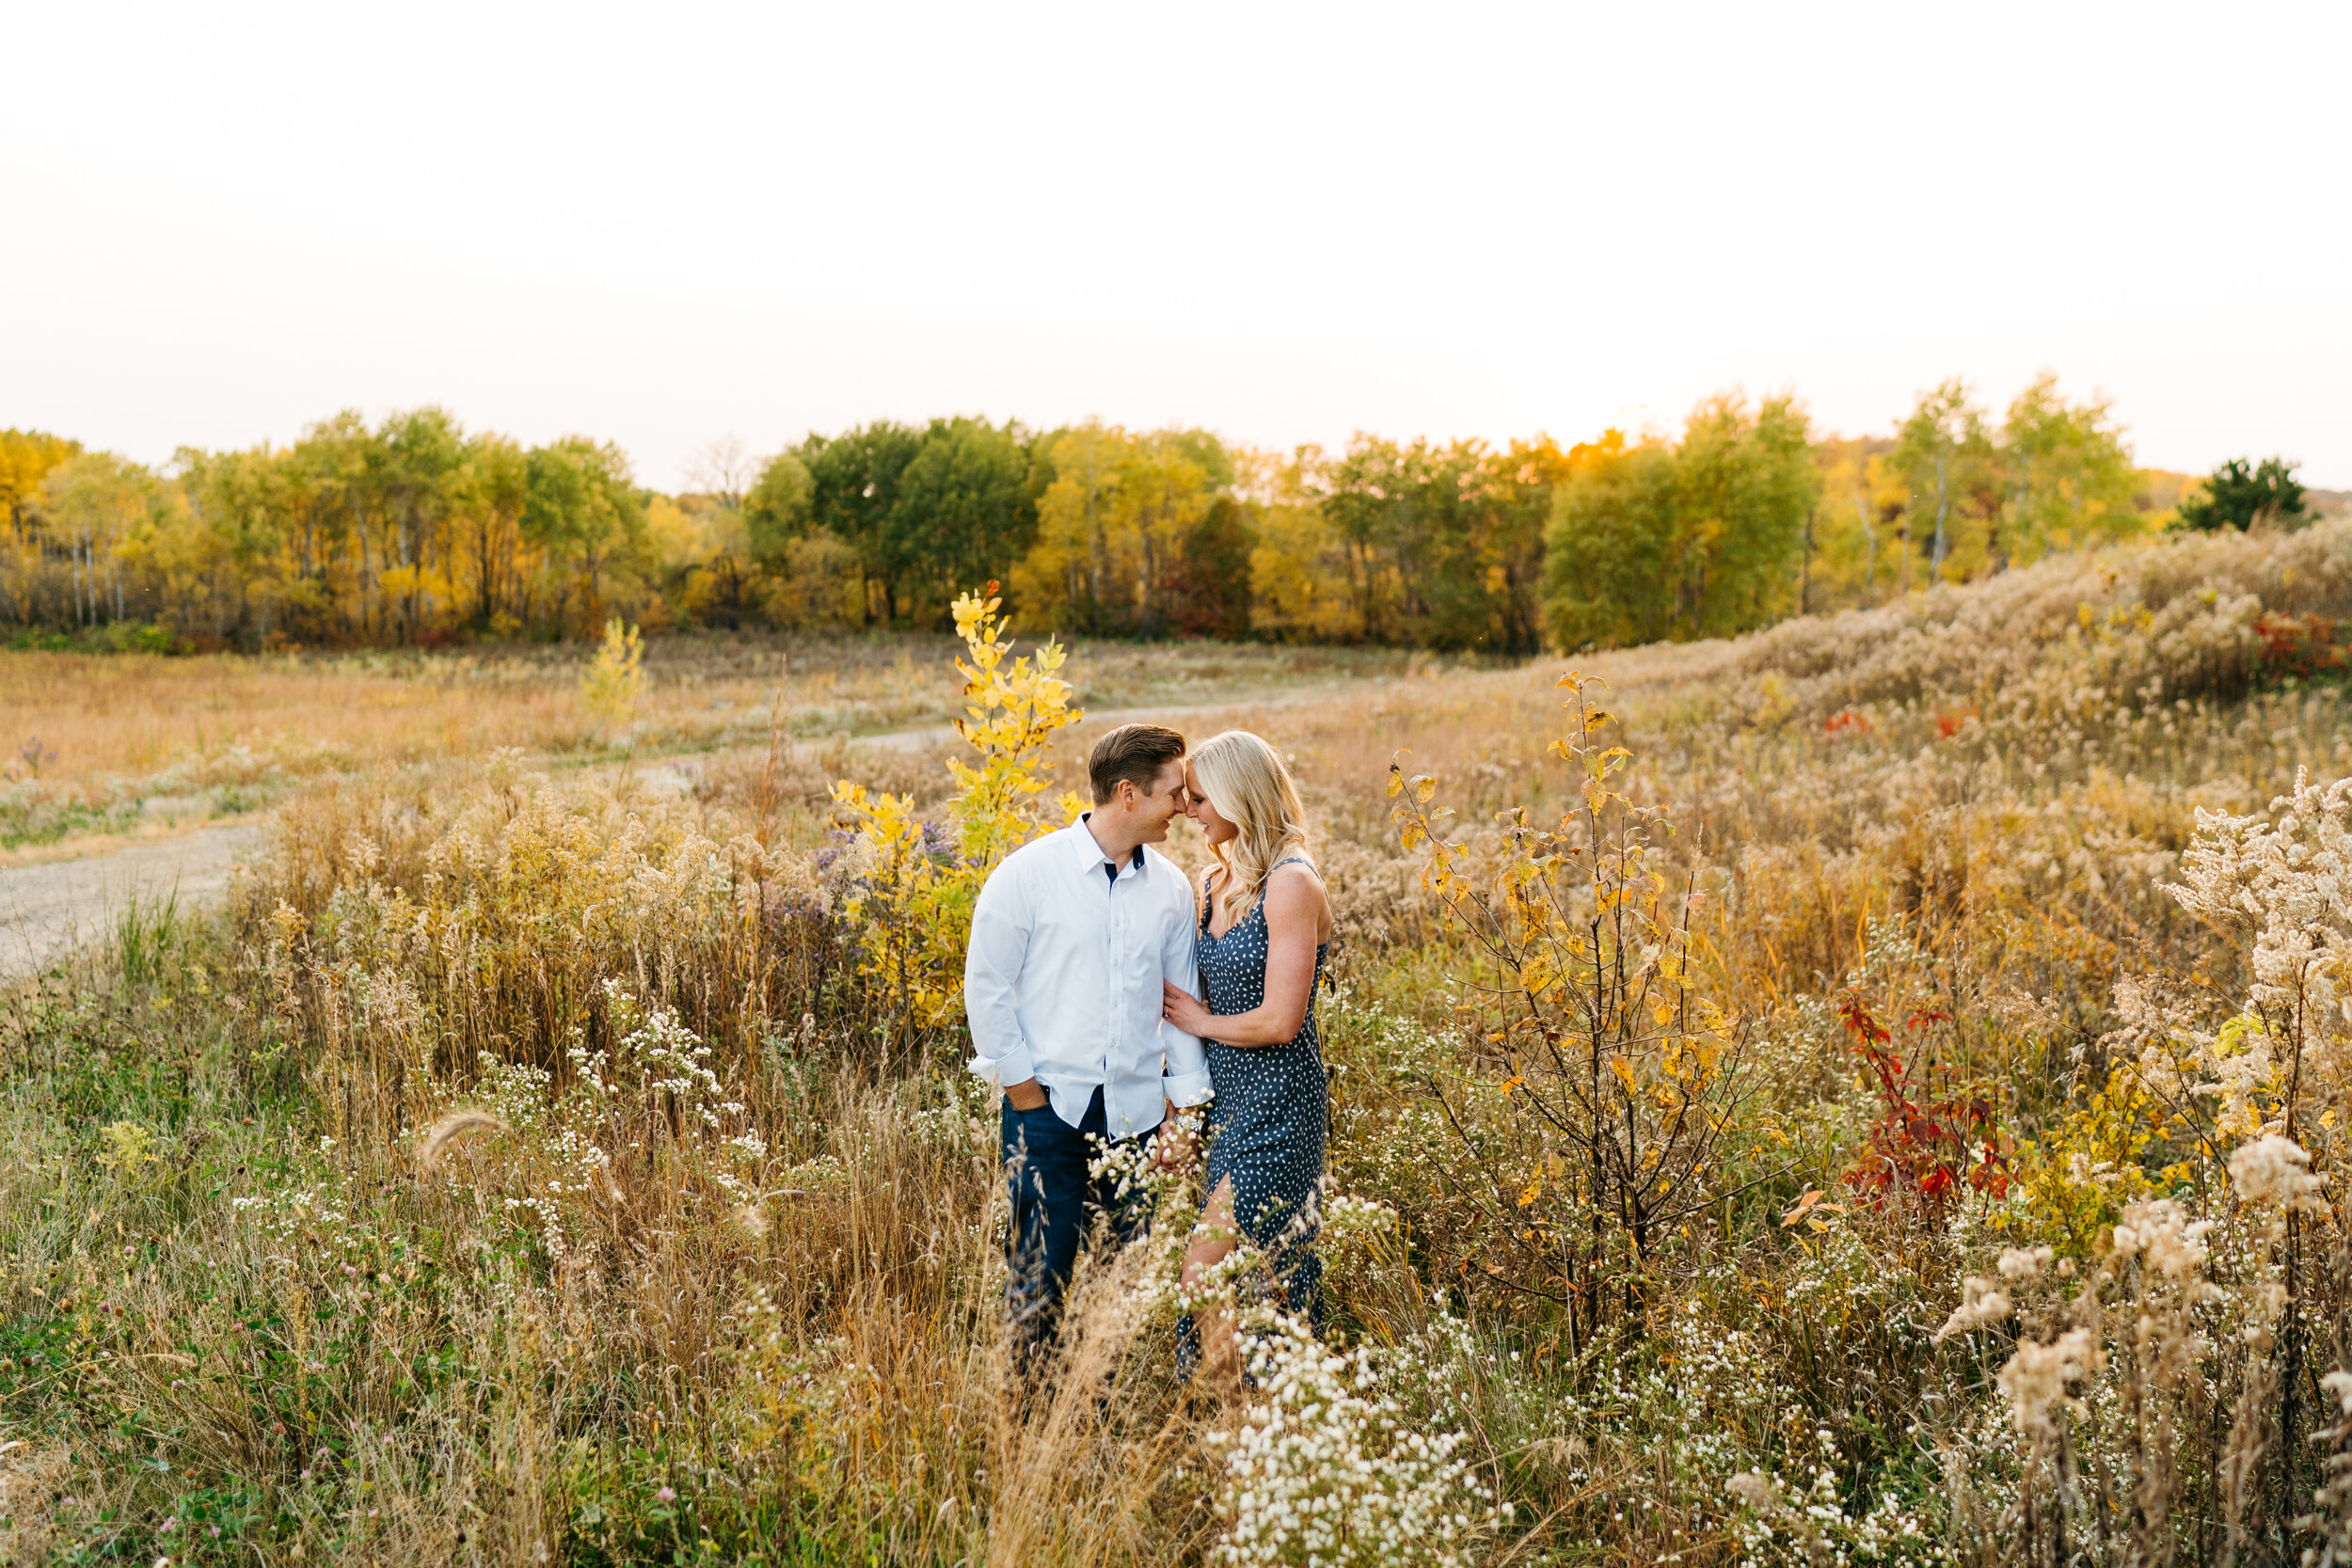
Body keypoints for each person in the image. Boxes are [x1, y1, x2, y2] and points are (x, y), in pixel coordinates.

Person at [965, 721, 1211, 1372]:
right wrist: (1021, 1088)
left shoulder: (1171, 889)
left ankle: (1107, 1413)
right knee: (1038, 1281)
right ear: (1127, 793)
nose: (1185, 807)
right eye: (1174, 793)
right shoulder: (1027, 875)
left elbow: (1182, 1006)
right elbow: (985, 988)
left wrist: (1184, 1112)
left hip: (1138, 1116)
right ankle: (1031, 1425)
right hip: (1046, 1112)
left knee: (1125, 1282)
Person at [1160, 729, 1332, 1387]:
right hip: (1228, 1106)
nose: (1189, 810)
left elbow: (1282, 1020)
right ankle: (1253, 1424)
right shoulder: (1213, 880)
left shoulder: (1290, 882)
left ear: (1239, 794)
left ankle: (1247, 1422)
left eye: (1200, 797)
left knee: (1207, 1268)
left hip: (1280, 1103)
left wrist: (1202, 1020)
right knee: (1260, 1272)